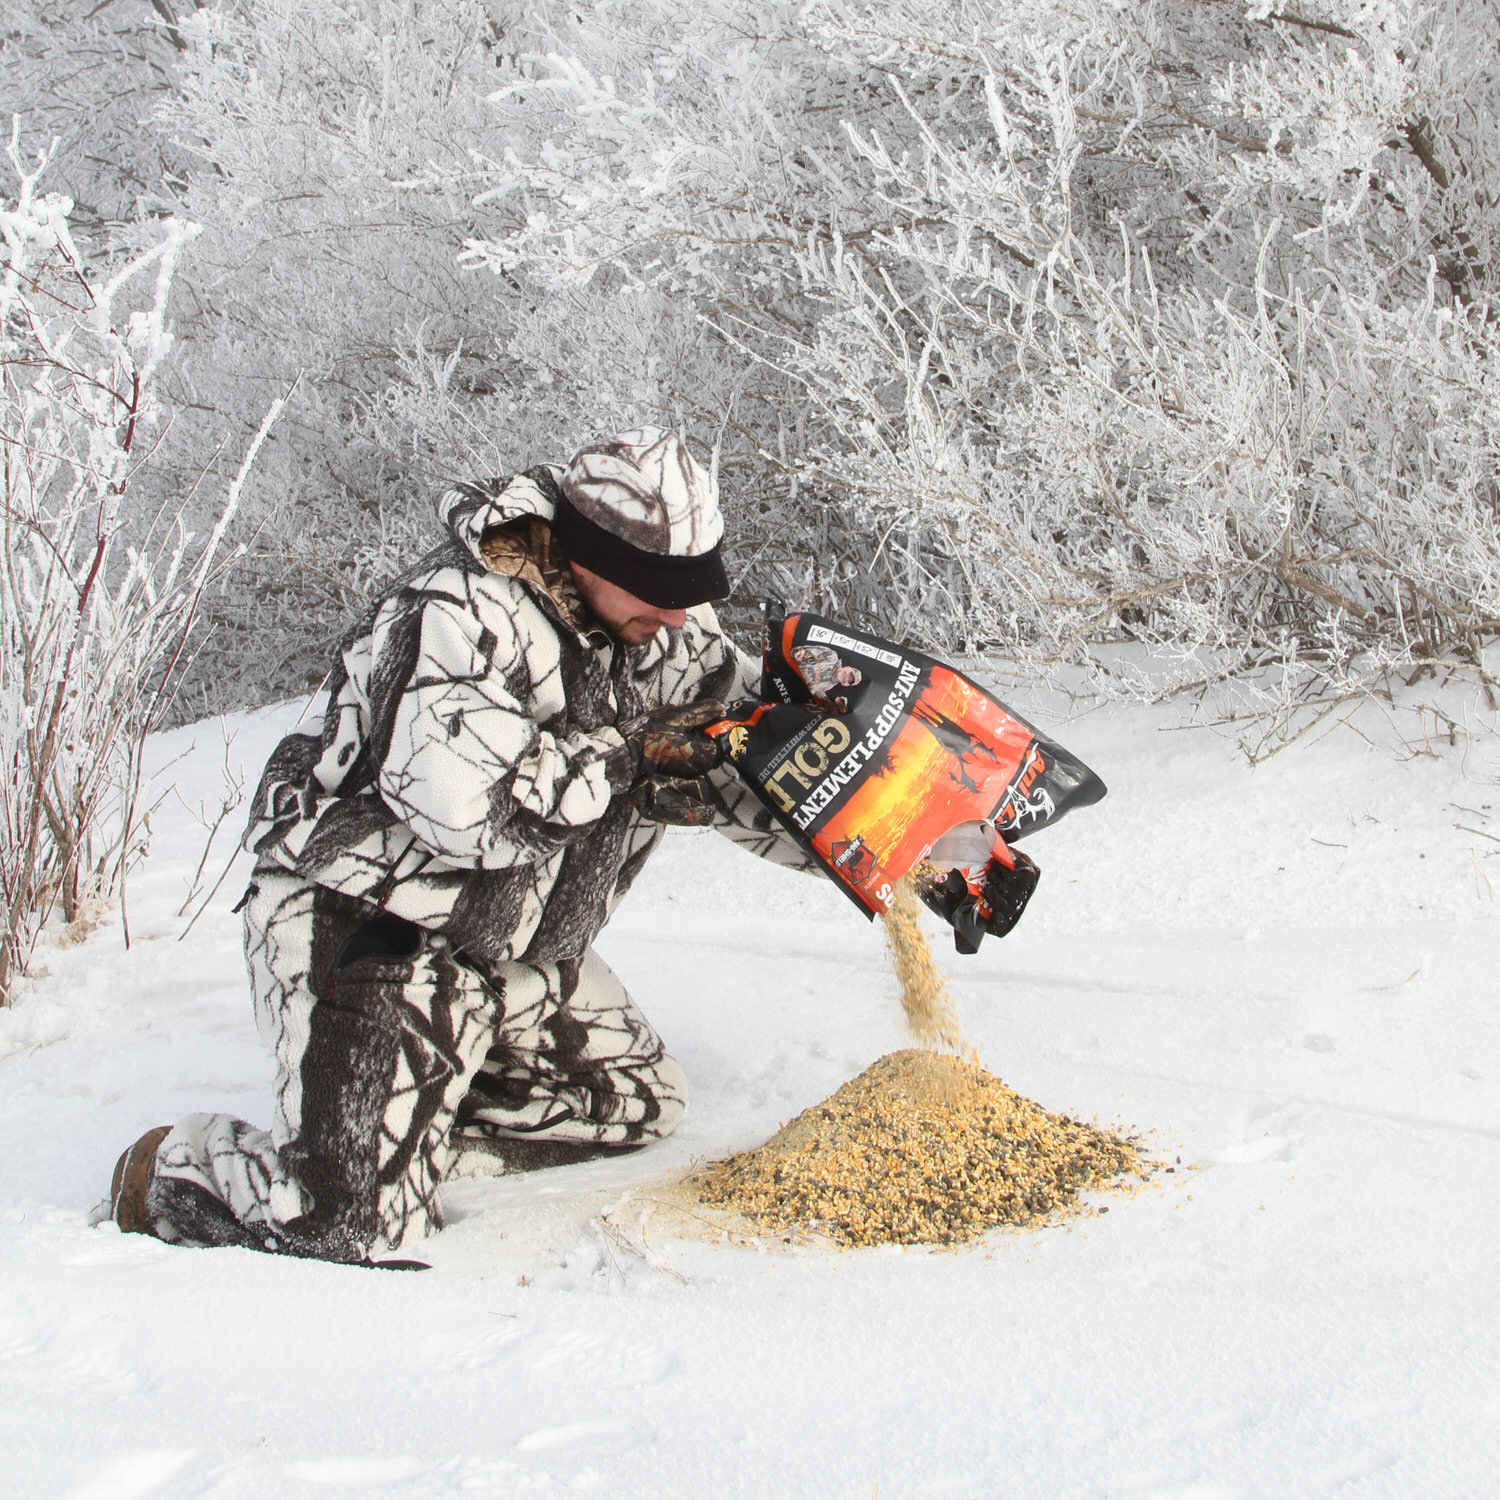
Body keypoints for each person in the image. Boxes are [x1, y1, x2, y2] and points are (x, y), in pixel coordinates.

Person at [99, 427, 815, 1265]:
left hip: (506, 951)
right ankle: (183, 1174)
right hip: (372, 926)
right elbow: (463, 808)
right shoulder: (453, 612)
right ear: (584, 554)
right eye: (658, 590)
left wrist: (912, 854)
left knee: (629, 1099)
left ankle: (405, 1136)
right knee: (350, 1228)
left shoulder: (662, 634)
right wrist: (633, 756)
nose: (676, 614)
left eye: (692, 589)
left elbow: (752, 766)